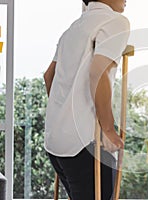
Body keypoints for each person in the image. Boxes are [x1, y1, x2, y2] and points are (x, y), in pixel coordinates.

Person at [43, 0, 130, 199]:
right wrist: (108, 129)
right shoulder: (115, 22)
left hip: (56, 143)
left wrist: (64, 114)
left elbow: (49, 76)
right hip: (85, 143)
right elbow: (98, 72)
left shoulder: (73, 29)